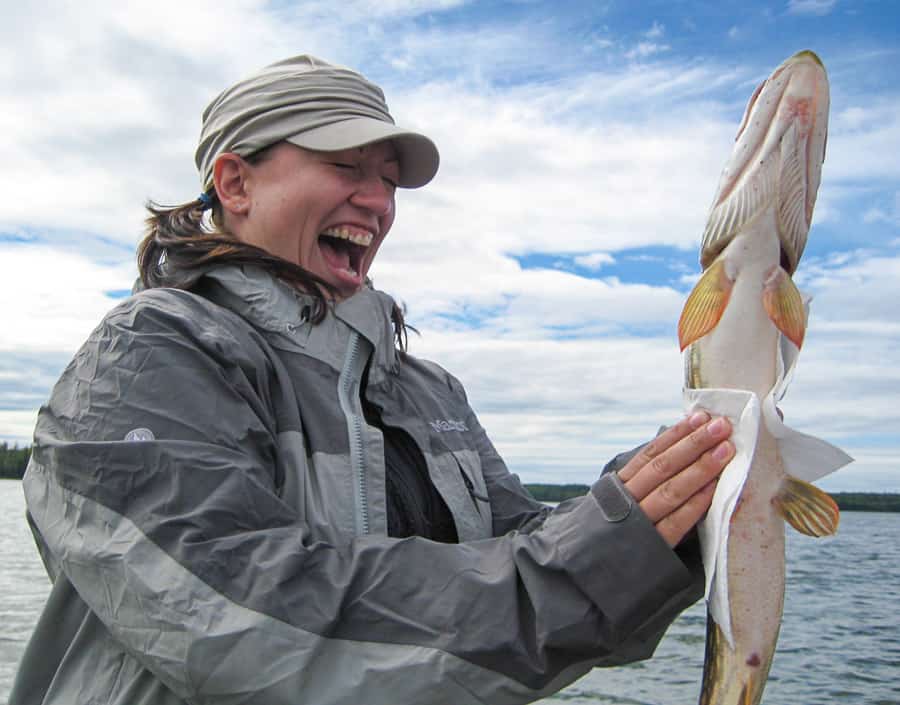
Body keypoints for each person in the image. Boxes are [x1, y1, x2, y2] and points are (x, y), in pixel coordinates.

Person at [11, 55, 734, 705]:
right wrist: (588, 564)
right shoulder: (148, 352)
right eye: (346, 168)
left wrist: (671, 506)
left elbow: (525, 542)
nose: (379, 201)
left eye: (387, 180)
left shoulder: (429, 390)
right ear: (235, 182)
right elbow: (237, 619)